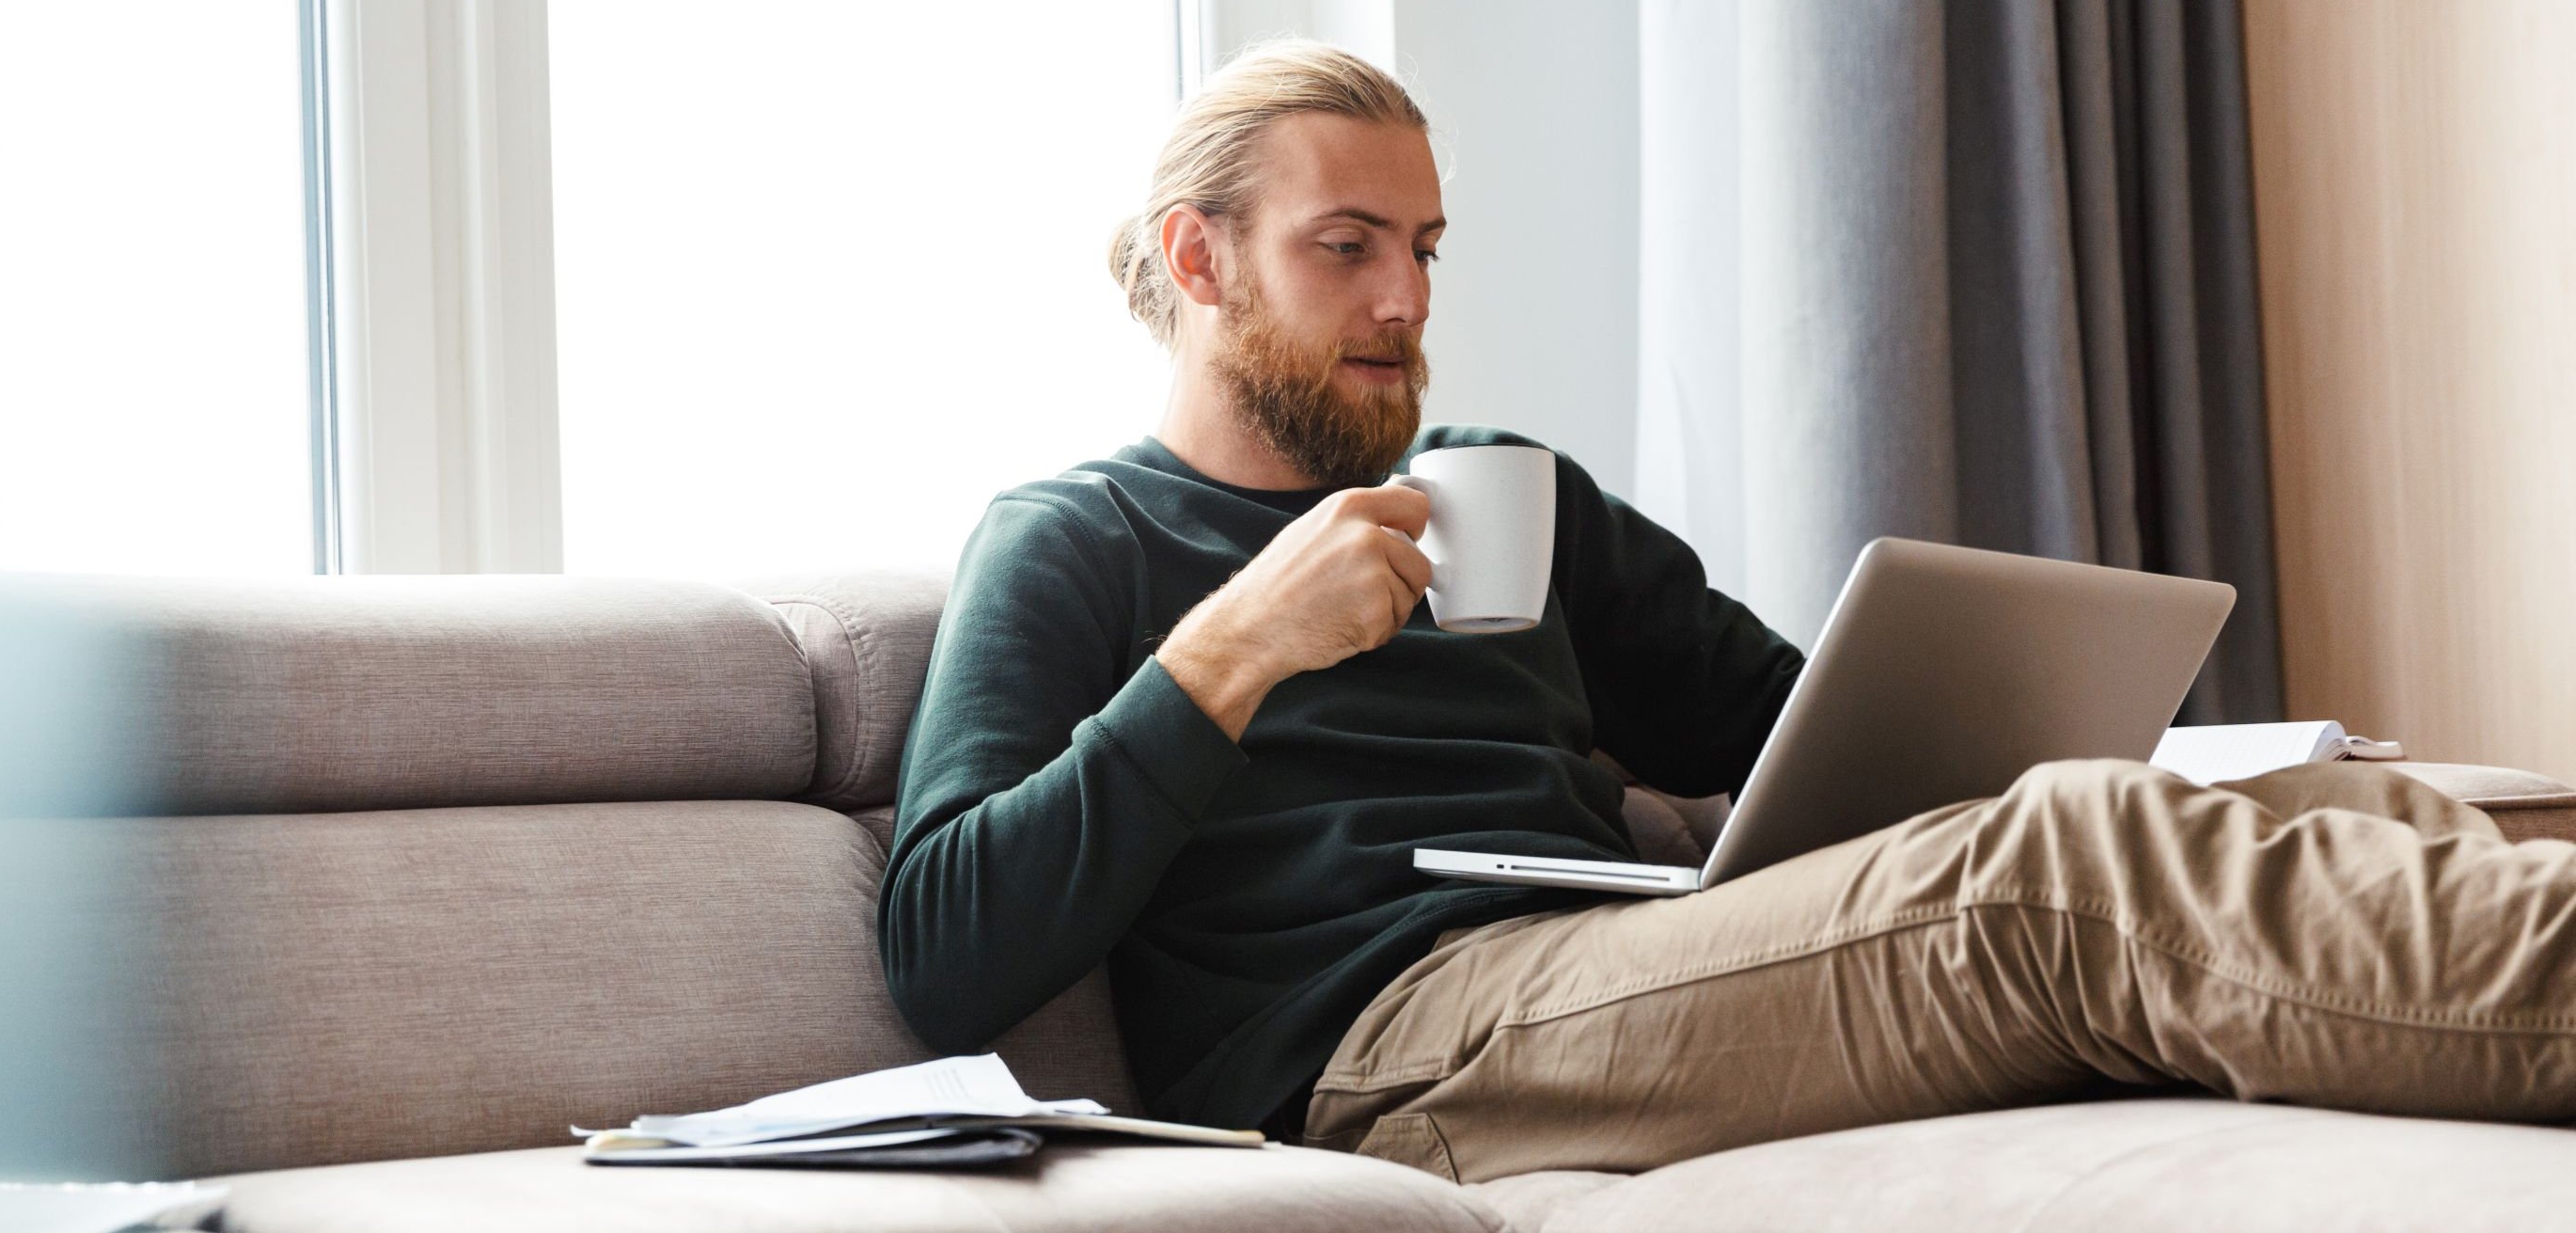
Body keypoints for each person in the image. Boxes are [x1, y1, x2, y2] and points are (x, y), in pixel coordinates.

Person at [874, 40, 2576, 1184]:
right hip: (1388, 1052)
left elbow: (1791, 726)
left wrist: (2000, 719)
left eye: (1426, 246)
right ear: (1200, 261)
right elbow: (951, 950)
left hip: (1618, 960)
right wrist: (1234, 647)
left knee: (2325, 803)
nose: (1406, 300)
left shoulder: (1499, 483)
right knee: (2064, 865)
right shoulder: (1079, 537)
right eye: (1347, 248)